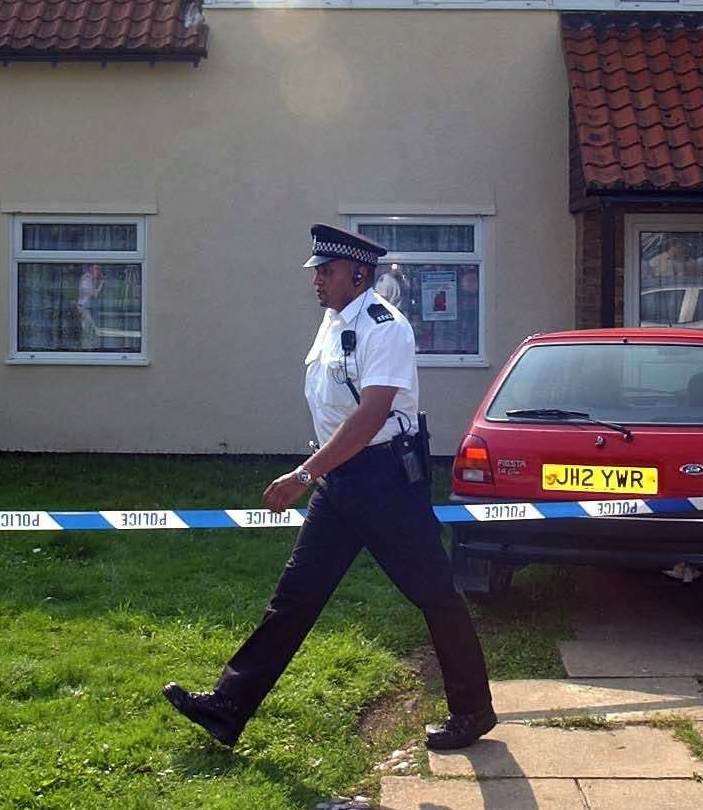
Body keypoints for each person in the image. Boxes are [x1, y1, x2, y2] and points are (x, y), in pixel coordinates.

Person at [162, 224, 497, 751]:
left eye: (327, 270)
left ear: (359, 274)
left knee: (433, 594)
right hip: (342, 479)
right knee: (294, 597)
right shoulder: (333, 320)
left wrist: (304, 474)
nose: (317, 279)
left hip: (385, 480)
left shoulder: (386, 327)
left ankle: (473, 710)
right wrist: (322, 471)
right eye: (316, 270)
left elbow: (369, 416)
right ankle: (228, 707)